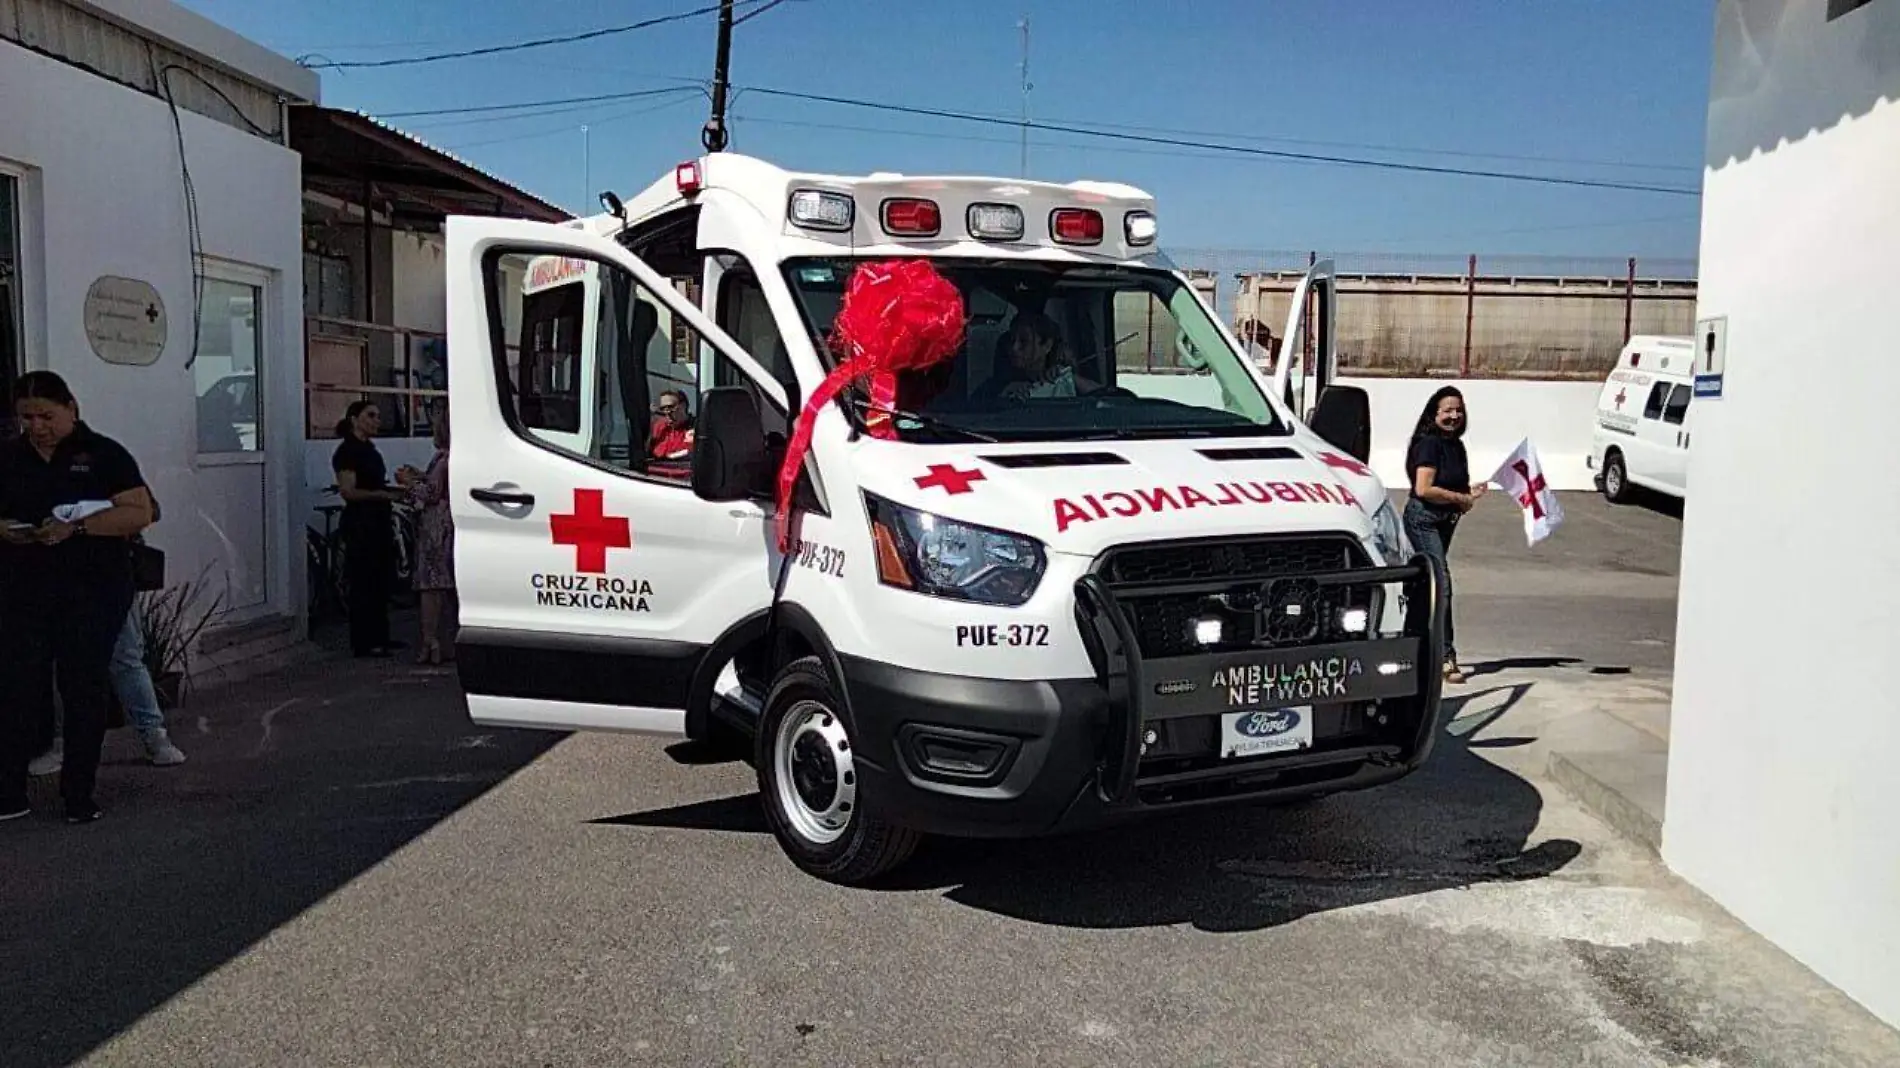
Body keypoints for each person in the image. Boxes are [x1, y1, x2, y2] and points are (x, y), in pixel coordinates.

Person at [0, 371, 156, 823]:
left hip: (93, 589)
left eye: (46, 416)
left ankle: (79, 794)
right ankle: (11, 790)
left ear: (71, 408)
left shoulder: (105, 455)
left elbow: (140, 512)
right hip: (23, 589)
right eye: (26, 417)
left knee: (83, 685)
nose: (37, 426)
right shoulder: (9, 458)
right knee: (18, 686)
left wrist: (79, 527)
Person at [1404, 385, 1486, 685]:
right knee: (1442, 586)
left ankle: (1413, 647)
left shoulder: (1456, 445)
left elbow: (1451, 487)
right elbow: (1424, 489)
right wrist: (1458, 498)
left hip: (1445, 520)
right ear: (1434, 414)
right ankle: (1445, 657)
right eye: (1447, 410)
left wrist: (1467, 495)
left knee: (1426, 587)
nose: (1454, 416)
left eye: (1458, 410)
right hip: (1424, 520)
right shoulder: (1429, 444)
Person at [331, 400, 406, 659]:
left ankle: (381, 636)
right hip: (361, 523)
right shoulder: (347, 452)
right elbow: (348, 491)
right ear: (355, 419)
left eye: (378, 416)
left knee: (380, 579)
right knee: (363, 581)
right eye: (371, 416)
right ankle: (364, 641)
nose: (377, 421)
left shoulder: (370, 450)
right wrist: (380, 495)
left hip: (379, 521)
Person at [398, 404, 455, 665]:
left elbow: (432, 493)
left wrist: (410, 483)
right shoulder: (447, 457)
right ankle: (442, 641)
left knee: (431, 586)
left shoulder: (444, 459)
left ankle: (430, 640)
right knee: (445, 587)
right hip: (446, 525)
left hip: (436, 527)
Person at [975, 312, 1098, 402]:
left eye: (1024, 341)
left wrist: (1070, 378)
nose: (1014, 348)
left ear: (1047, 345)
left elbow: (1107, 398)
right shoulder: (993, 387)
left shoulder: (1062, 381)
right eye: (1011, 340)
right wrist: (1003, 394)